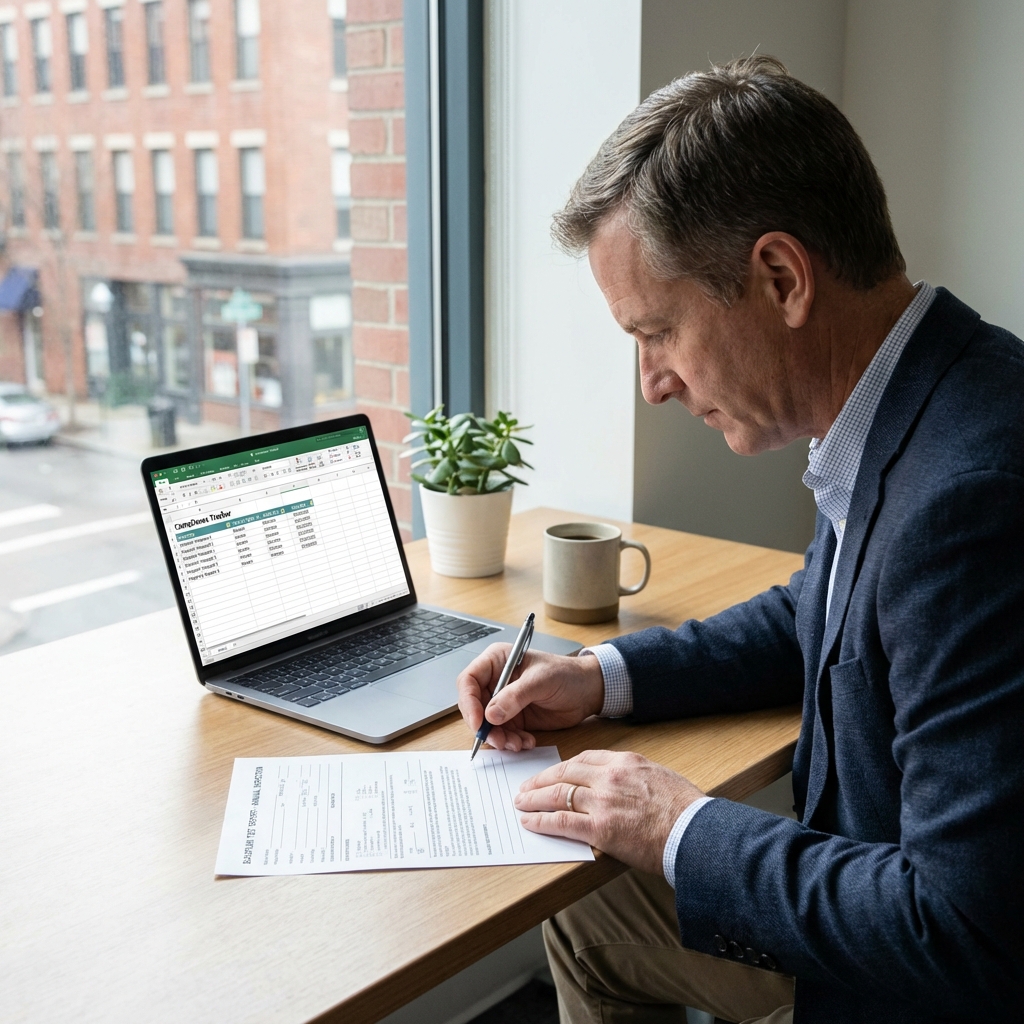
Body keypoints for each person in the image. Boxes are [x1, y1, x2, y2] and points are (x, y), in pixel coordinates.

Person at [456, 56, 1024, 1024]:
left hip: (931, 983)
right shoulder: (930, 396)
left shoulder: (969, 497)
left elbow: (964, 932)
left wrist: (677, 823)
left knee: (612, 889)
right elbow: (827, 609)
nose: (652, 382)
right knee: (590, 920)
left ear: (778, 276)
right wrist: (601, 675)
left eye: (657, 331)